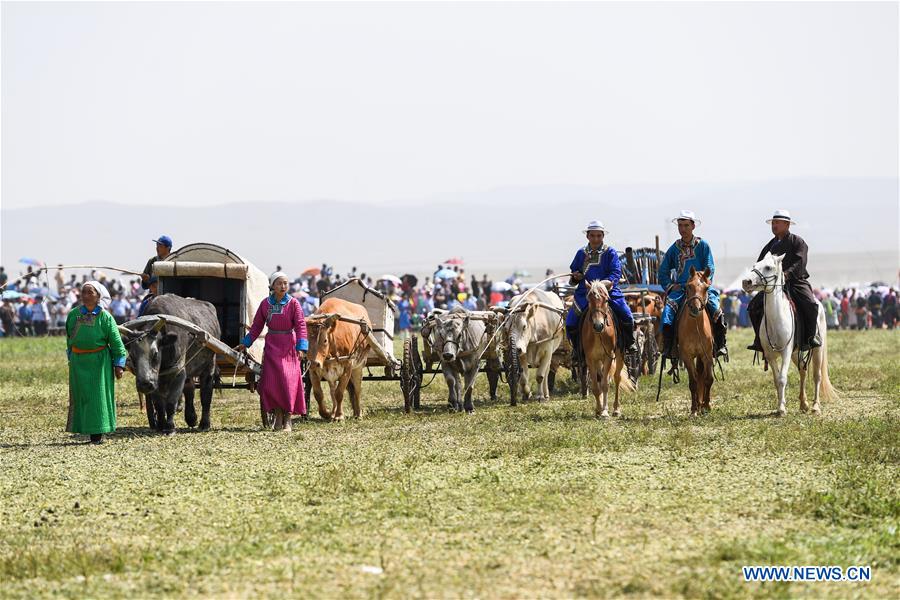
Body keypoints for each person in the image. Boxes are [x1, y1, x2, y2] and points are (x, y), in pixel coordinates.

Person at [234, 272, 308, 431]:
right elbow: (257, 327)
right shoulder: (265, 304)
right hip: (272, 346)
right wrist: (245, 343)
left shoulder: (293, 304)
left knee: (288, 381)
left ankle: (288, 419)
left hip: (289, 346)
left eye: (286, 283)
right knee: (272, 383)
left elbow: (301, 325)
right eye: (280, 283)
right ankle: (278, 417)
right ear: (273, 286)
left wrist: (301, 347)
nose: (283, 286)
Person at [747, 210, 821, 351]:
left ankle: (811, 337)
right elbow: (760, 264)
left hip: (795, 281)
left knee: (811, 304)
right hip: (774, 285)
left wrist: (786, 275)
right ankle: (759, 340)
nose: (774, 225)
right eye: (773, 223)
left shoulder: (798, 241)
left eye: (777, 223)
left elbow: (800, 262)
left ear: (786, 225)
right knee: (753, 307)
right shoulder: (769, 246)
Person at [657, 210, 727, 358]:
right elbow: (662, 272)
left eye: (686, 225)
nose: (683, 229)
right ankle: (669, 348)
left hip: (701, 287)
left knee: (716, 310)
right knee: (667, 313)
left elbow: (710, 267)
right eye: (680, 225)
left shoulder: (703, 245)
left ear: (693, 226)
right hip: (681, 289)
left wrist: (701, 281)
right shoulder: (674, 248)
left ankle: (720, 344)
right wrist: (670, 286)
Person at [66, 281, 126, 444]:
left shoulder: (105, 317)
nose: (85, 296)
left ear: (98, 296)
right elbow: (69, 340)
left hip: (100, 363)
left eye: (90, 292)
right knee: (82, 397)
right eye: (83, 292)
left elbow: (116, 343)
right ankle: (83, 428)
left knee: (98, 397)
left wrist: (119, 365)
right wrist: (71, 358)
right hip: (79, 362)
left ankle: (97, 434)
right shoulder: (73, 315)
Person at [566, 220, 635, 351]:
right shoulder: (581, 253)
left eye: (599, 236)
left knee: (626, 315)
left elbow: (615, 272)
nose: (596, 239)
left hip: (608, 292)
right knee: (570, 322)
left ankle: (629, 343)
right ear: (587, 236)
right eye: (593, 235)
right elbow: (575, 273)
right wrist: (576, 276)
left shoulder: (610, 253)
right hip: (585, 293)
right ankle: (577, 350)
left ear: (603, 236)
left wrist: (603, 285)